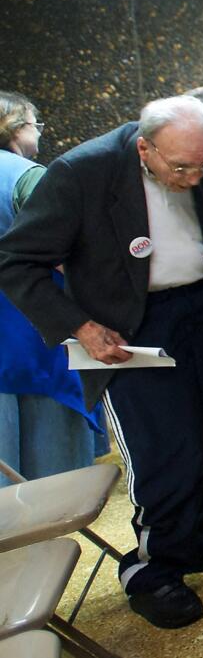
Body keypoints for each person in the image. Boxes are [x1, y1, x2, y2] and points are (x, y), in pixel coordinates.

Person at [0, 96, 203, 629]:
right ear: (145, 147)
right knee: (167, 452)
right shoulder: (81, 173)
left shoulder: (198, 161)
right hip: (129, 327)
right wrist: (81, 327)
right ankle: (152, 571)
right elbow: (17, 261)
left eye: (200, 167)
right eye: (179, 167)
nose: (191, 177)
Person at [0, 91, 104, 483]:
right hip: (36, 328)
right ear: (14, 128)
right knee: (54, 475)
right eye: (35, 124)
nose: (39, 133)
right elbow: (70, 250)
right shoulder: (27, 175)